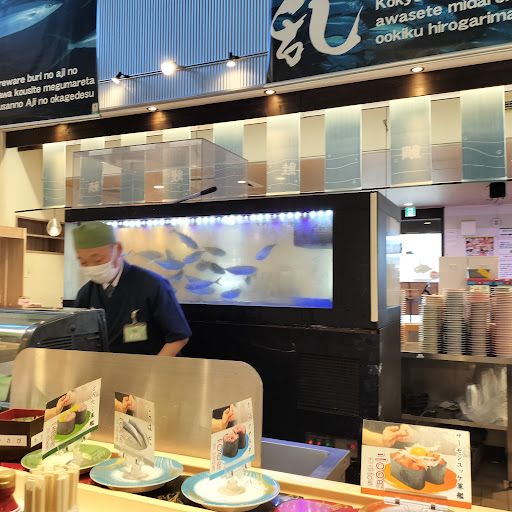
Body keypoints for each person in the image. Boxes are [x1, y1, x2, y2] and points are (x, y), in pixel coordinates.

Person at [73, 221, 191, 356]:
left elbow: (179, 338)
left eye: (98, 259)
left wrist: (153, 367)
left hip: (149, 365)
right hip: (103, 366)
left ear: (118, 249)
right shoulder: (86, 294)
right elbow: (78, 340)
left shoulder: (153, 285)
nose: (92, 267)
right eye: (83, 262)